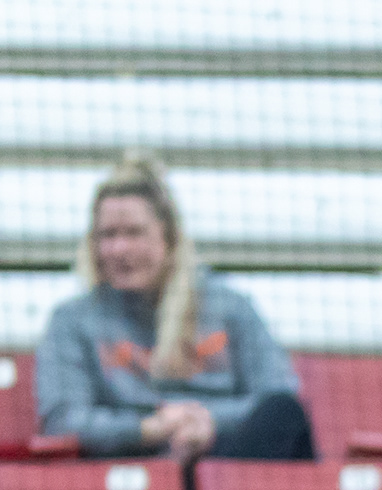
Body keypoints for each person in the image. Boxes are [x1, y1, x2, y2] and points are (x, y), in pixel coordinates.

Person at [36, 157, 312, 463]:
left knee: (284, 414)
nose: (119, 249)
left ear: (169, 238)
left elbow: (277, 393)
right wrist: (150, 428)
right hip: (134, 466)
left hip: (224, 456)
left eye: (134, 233)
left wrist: (206, 421)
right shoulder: (73, 321)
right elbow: (64, 422)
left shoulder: (229, 307)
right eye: (108, 235)